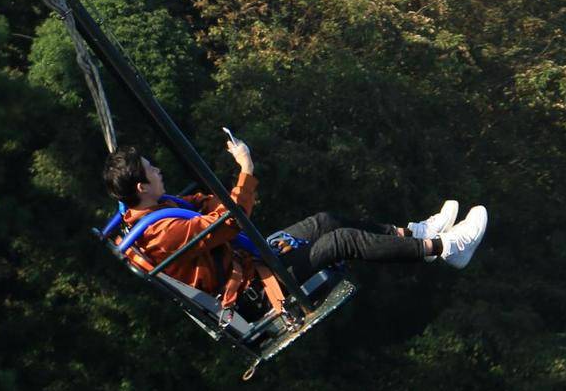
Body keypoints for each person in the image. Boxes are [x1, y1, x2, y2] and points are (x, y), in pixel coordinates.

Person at [102, 132, 487, 316]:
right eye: (151, 169)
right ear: (141, 187)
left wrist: (231, 200)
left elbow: (210, 207)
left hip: (254, 259)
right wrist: (246, 171)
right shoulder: (159, 232)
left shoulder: (158, 207)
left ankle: (417, 233)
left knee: (325, 220)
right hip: (253, 286)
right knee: (341, 240)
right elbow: (225, 224)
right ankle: (445, 248)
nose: (158, 169)